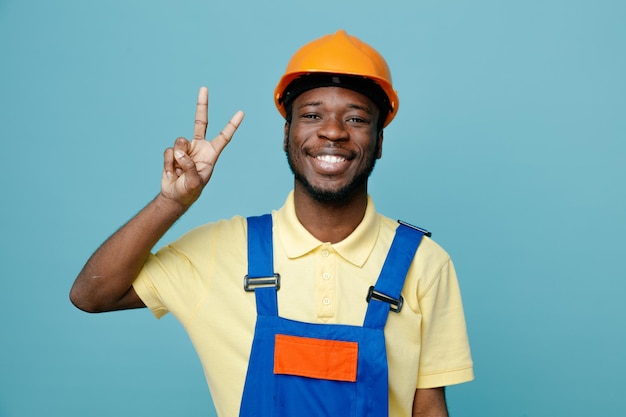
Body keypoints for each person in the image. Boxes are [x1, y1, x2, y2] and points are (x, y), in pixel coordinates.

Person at [70, 29, 474, 417]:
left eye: (355, 119)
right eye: (313, 114)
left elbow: (428, 409)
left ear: (380, 141)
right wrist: (170, 203)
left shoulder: (424, 263)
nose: (332, 131)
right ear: (287, 134)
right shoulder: (222, 251)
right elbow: (93, 295)